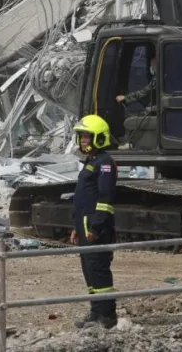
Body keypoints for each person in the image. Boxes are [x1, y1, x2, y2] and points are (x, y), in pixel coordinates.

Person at [70, 114, 118, 329]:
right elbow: (83, 198)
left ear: (98, 137)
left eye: (87, 137)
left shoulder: (105, 162)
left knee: (98, 268)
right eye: (81, 137)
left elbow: (105, 199)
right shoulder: (91, 161)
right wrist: (76, 227)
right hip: (84, 224)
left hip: (95, 226)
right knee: (88, 269)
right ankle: (95, 311)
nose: (83, 141)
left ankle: (107, 315)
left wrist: (96, 227)